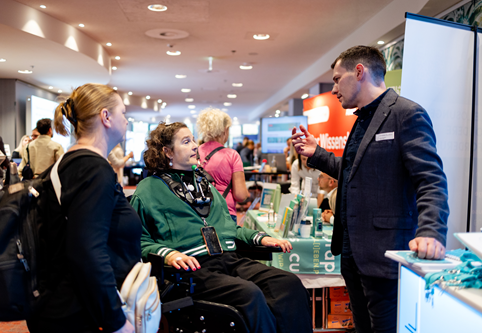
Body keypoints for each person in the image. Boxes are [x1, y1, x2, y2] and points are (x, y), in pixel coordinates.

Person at [291, 46, 449, 333]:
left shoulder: (406, 114)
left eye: (338, 79)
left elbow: (431, 179)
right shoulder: (361, 119)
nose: (334, 88)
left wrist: (431, 232)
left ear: (360, 72)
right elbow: (354, 173)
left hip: (385, 254)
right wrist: (316, 153)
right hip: (352, 255)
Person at [130, 122, 312, 333]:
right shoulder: (148, 190)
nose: (194, 146)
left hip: (227, 258)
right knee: (249, 293)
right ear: (167, 151)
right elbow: (138, 241)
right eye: (186, 141)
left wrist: (259, 238)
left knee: (288, 283)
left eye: (193, 140)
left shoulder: (204, 184)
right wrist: (168, 254)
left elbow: (229, 228)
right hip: (190, 270)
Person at [26, 83, 141, 333]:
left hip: (61, 306)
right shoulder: (93, 169)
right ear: (106, 117)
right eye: (123, 113)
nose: (127, 121)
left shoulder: (70, 164)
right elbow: (87, 251)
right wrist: (117, 322)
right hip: (76, 313)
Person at [196, 108, 248, 223]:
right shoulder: (232, 155)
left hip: (197, 213)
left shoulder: (194, 152)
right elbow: (241, 195)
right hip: (225, 214)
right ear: (225, 130)